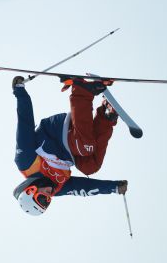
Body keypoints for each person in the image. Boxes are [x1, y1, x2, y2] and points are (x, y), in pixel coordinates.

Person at [12, 75, 128, 216]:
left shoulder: (26, 162)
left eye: (42, 198)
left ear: (31, 190)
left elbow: (25, 123)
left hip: (55, 131)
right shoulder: (57, 188)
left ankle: (81, 92)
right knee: (90, 167)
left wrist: (20, 92)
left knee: (85, 147)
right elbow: (84, 188)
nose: (48, 197)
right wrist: (114, 188)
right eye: (47, 203)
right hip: (71, 149)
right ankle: (107, 114)